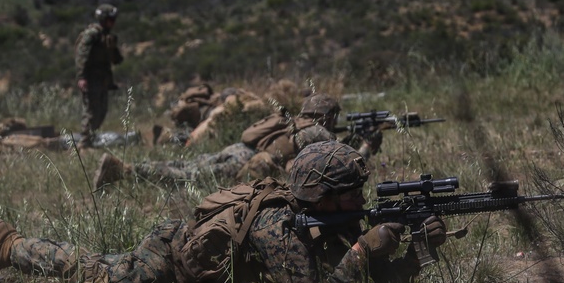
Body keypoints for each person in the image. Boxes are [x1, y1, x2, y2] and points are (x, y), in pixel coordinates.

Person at [0, 141, 447, 283]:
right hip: (164, 272)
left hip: (181, 251)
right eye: (351, 194)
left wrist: (416, 255)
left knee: (91, 264)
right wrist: (364, 248)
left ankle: (7, 244)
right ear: (323, 196)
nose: (361, 203)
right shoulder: (280, 226)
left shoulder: (313, 217)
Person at [92, 93, 379, 189]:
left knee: (186, 163)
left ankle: (126, 167)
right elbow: (339, 162)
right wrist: (366, 147)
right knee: (188, 176)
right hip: (247, 162)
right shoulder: (320, 131)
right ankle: (125, 171)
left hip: (239, 149)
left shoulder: (295, 121)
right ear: (328, 115)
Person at [75, 4, 124, 147]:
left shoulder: (106, 36)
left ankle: (89, 139)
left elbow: (116, 58)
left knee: (101, 111)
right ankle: (84, 144)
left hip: (102, 79)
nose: (113, 22)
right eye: (111, 19)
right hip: (91, 79)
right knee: (91, 111)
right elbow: (82, 55)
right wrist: (82, 77)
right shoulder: (92, 34)